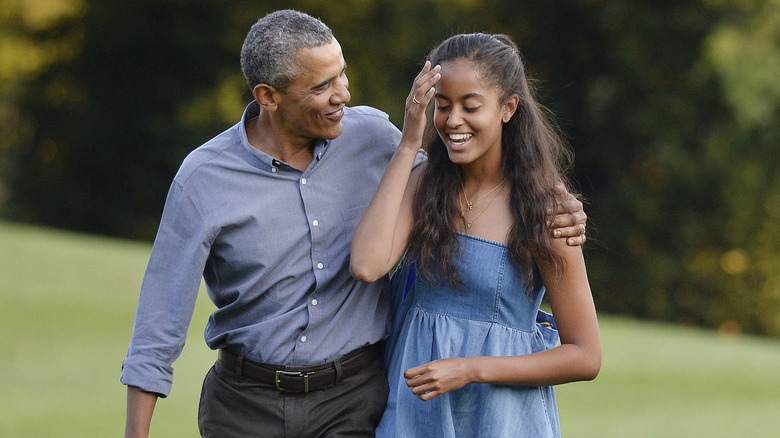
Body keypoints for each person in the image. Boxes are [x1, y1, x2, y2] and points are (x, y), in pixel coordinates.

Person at [121, 10, 588, 438]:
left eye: (342, 74)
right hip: (252, 402)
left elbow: (475, 177)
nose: (344, 94)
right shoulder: (205, 178)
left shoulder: (370, 136)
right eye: (324, 84)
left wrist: (556, 203)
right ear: (268, 96)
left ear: (507, 106)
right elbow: (158, 324)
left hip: (366, 402)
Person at [350, 33, 601, 438]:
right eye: (442, 105)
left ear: (508, 108)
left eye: (471, 106)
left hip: (501, 419)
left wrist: (470, 368)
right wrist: (409, 142)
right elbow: (366, 264)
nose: (452, 121)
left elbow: (585, 356)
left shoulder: (546, 211)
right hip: (414, 414)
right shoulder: (423, 183)